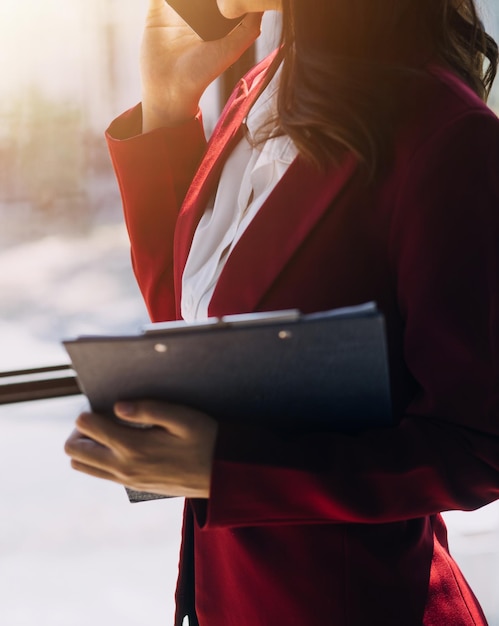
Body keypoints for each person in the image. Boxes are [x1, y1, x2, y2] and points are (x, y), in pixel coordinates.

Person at [65, 0, 499, 624]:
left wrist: (226, 467)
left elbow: (477, 447)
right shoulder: (258, 91)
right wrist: (165, 105)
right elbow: (203, 327)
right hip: (229, 601)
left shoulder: (447, 136)